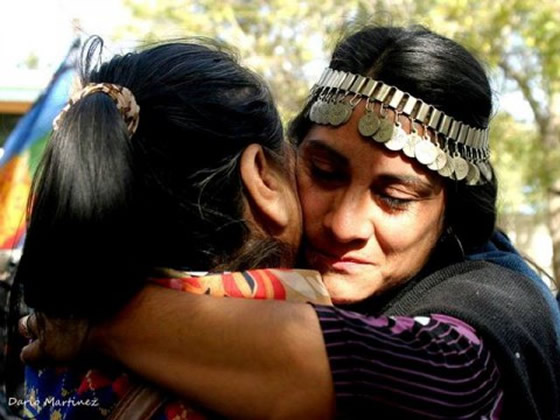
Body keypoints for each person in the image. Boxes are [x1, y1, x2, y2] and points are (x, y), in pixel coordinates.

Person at [20, 25, 560, 419]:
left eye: (394, 197)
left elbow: (443, 378)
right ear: (283, 158)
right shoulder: (260, 271)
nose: (345, 224)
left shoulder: (500, 296)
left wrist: (102, 322)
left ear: (451, 214)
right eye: (323, 172)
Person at [12, 37, 333, 419]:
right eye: (322, 172)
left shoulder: (57, 349)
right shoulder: (314, 357)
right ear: (263, 177)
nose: (346, 224)